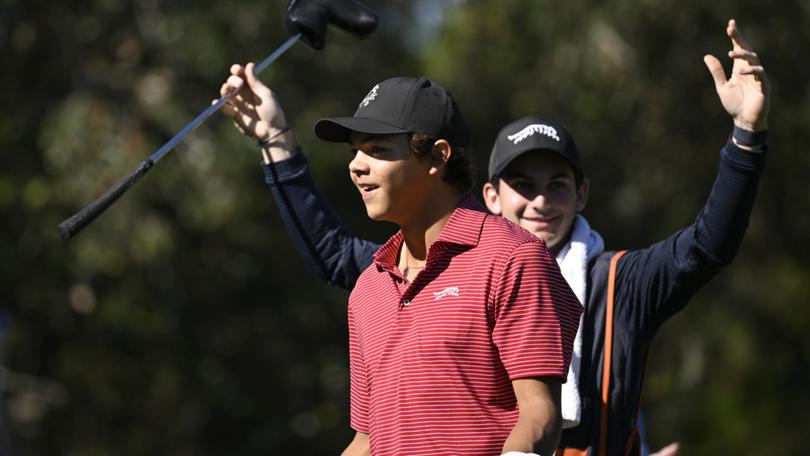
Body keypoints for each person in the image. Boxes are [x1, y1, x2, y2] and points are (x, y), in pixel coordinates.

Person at [220, 13, 769, 454]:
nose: (538, 201)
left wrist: (746, 135)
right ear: (491, 196)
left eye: (557, 185)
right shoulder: (392, 274)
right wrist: (275, 140)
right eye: (521, 184)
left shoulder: (615, 280)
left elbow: (707, 247)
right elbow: (334, 257)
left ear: (582, 195)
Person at [218, 71, 584, 454]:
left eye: (377, 150)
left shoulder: (512, 257)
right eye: (354, 152)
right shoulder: (370, 286)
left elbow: (539, 414)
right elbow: (367, 440)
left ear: (438, 156)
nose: (356, 166)